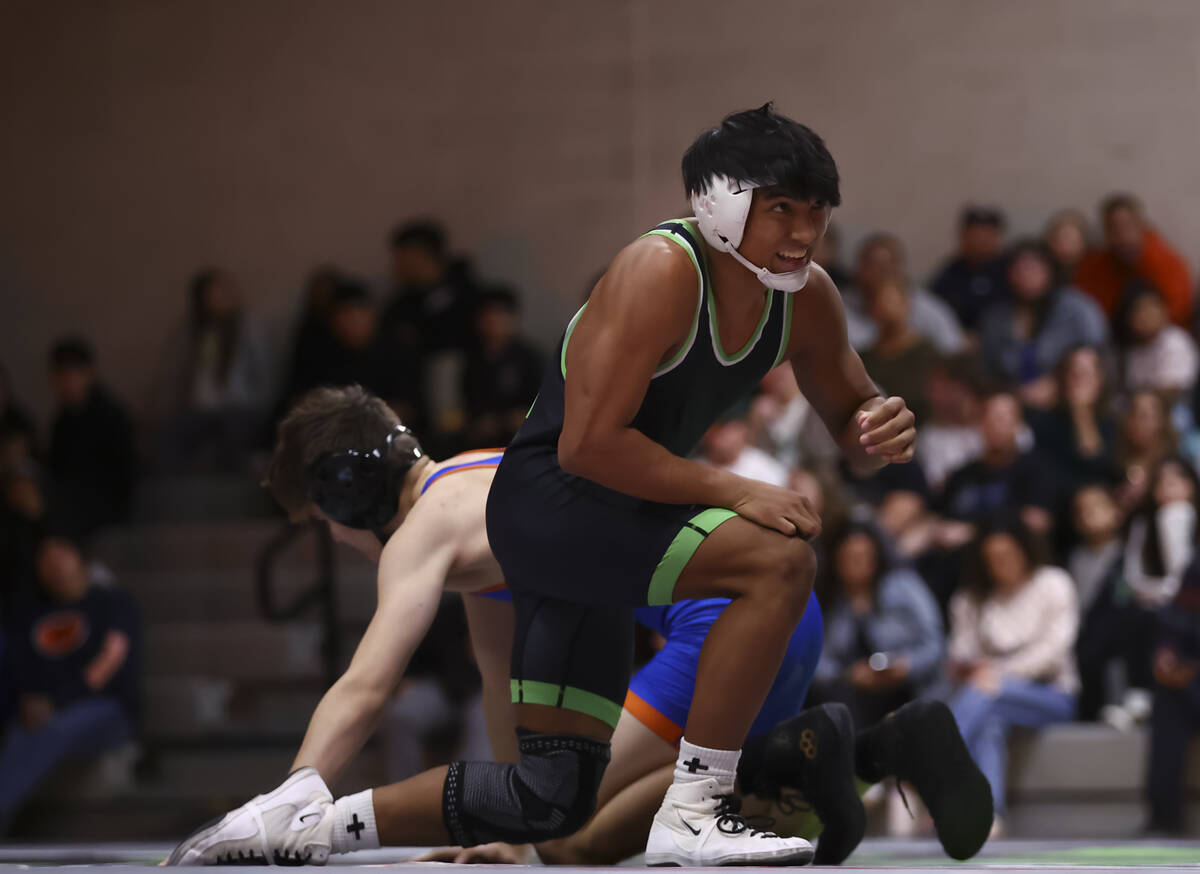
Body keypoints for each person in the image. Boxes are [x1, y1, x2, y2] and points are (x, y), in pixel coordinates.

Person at [169, 104, 918, 867]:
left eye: (817, 213)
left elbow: (852, 423)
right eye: (782, 209)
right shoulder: (659, 270)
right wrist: (736, 489)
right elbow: (588, 447)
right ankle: (699, 806)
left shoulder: (807, 296)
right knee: (777, 557)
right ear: (720, 202)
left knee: (547, 801)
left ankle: (306, 828)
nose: (803, 233)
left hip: (598, 530)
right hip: (558, 506)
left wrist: (873, 434)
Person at [172, 386, 987, 868]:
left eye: (325, 524)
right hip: (767, 614)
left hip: (729, 623)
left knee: (568, 843)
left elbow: (368, 681)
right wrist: (500, 826)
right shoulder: (480, 488)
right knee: (603, 826)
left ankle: (830, 757)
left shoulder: (427, 531)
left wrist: (291, 797)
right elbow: (508, 692)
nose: (338, 543)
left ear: (345, 499)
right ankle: (868, 752)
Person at [946, 519, 1079, 836]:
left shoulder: (1053, 583)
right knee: (989, 721)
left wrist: (998, 674)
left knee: (985, 692)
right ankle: (990, 815)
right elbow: (959, 654)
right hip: (989, 698)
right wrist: (972, 668)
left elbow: (1053, 652)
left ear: (1024, 552)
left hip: (1051, 695)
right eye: (991, 557)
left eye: (1007, 554)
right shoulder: (970, 599)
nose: (999, 564)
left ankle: (934, 762)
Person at [0, 536, 141, 833]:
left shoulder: (111, 603)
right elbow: (22, 670)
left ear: (80, 558)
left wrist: (56, 701)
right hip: (48, 712)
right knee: (20, 732)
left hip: (106, 710)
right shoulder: (32, 614)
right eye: (46, 560)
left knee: (55, 726)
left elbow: (108, 665)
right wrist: (29, 699)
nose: (56, 565)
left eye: (61, 554)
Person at [809, 522, 944, 727]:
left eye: (864, 556)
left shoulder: (903, 585)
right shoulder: (829, 600)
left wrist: (906, 666)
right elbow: (816, 660)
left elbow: (935, 643)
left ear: (876, 557)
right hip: (853, 693)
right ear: (836, 561)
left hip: (909, 686)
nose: (858, 564)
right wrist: (848, 675)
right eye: (850, 558)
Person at [152, 269, 272, 474]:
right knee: (167, 436)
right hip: (199, 408)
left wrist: (255, 404)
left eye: (223, 293)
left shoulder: (248, 328)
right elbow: (178, 374)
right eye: (213, 295)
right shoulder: (194, 332)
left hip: (239, 407)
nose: (219, 300)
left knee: (233, 436)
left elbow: (264, 374)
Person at [977, 240, 1108, 409]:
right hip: (1011, 406)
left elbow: (1098, 358)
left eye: (1033, 268)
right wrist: (1015, 392)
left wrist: (1058, 385)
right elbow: (985, 371)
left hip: (1068, 403)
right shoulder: (996, 317)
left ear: (1049, 270)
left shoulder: (1077, 309)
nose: (1026, 275)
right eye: (1019, 269)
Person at [46, 338, 137, 538]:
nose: (65, 382)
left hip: (106, 505)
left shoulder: (111, 416)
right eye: (60, 375)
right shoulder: (63, 420)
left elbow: (124, 474)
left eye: (70, 374)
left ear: (88, 373)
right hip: (72, 500)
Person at [1075, 194, 1194, 327]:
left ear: (1141, 226)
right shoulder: (1096, 265)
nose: (1123, 236)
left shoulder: (1166, 262)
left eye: (1128, 227)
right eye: (1114, 229)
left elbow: (1178, 313)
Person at [842, 233, 965, 355]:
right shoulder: (838, 308)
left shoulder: (929, 310)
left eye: (887, 267)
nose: (880, 274)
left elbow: (954, 353)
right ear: (858, 270)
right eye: (872, 266)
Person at [461, 287, 543, 448]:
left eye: (501, 313)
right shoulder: (472, 359)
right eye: (488, 314)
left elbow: (539, 406)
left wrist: (504, 420)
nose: (494, 320)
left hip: (520, 436)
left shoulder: (529, 357)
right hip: (480, 439)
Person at [928, 206, 1009, 333]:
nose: (980, 242)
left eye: (987, 236)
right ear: (963, 236)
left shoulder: (1010, 271)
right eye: (975, 235)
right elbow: (935, 312)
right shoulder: (949, 274)